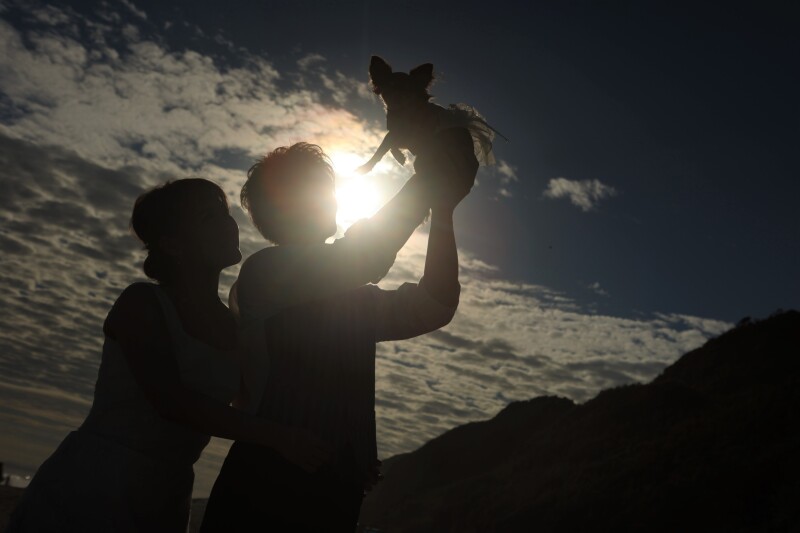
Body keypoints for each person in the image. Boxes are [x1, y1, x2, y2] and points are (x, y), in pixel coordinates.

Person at [6, 178, 330, 533]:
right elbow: (172, 401)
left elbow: (256, 402)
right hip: (97, 483)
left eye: (225, 213)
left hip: (166, 493)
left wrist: (339, 449)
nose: (228, 224)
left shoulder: (236, 325)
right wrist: (278, 436)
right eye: (209, 217)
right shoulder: (141, 303)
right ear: (173, 245)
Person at [199, 135, 478, 532]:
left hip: (333, 492)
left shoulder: (351, 299)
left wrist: (445, 210)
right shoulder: (263, 274)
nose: (330, 199)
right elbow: (367, 257)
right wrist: (426, 183)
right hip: (264, 486)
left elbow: (434, 305)